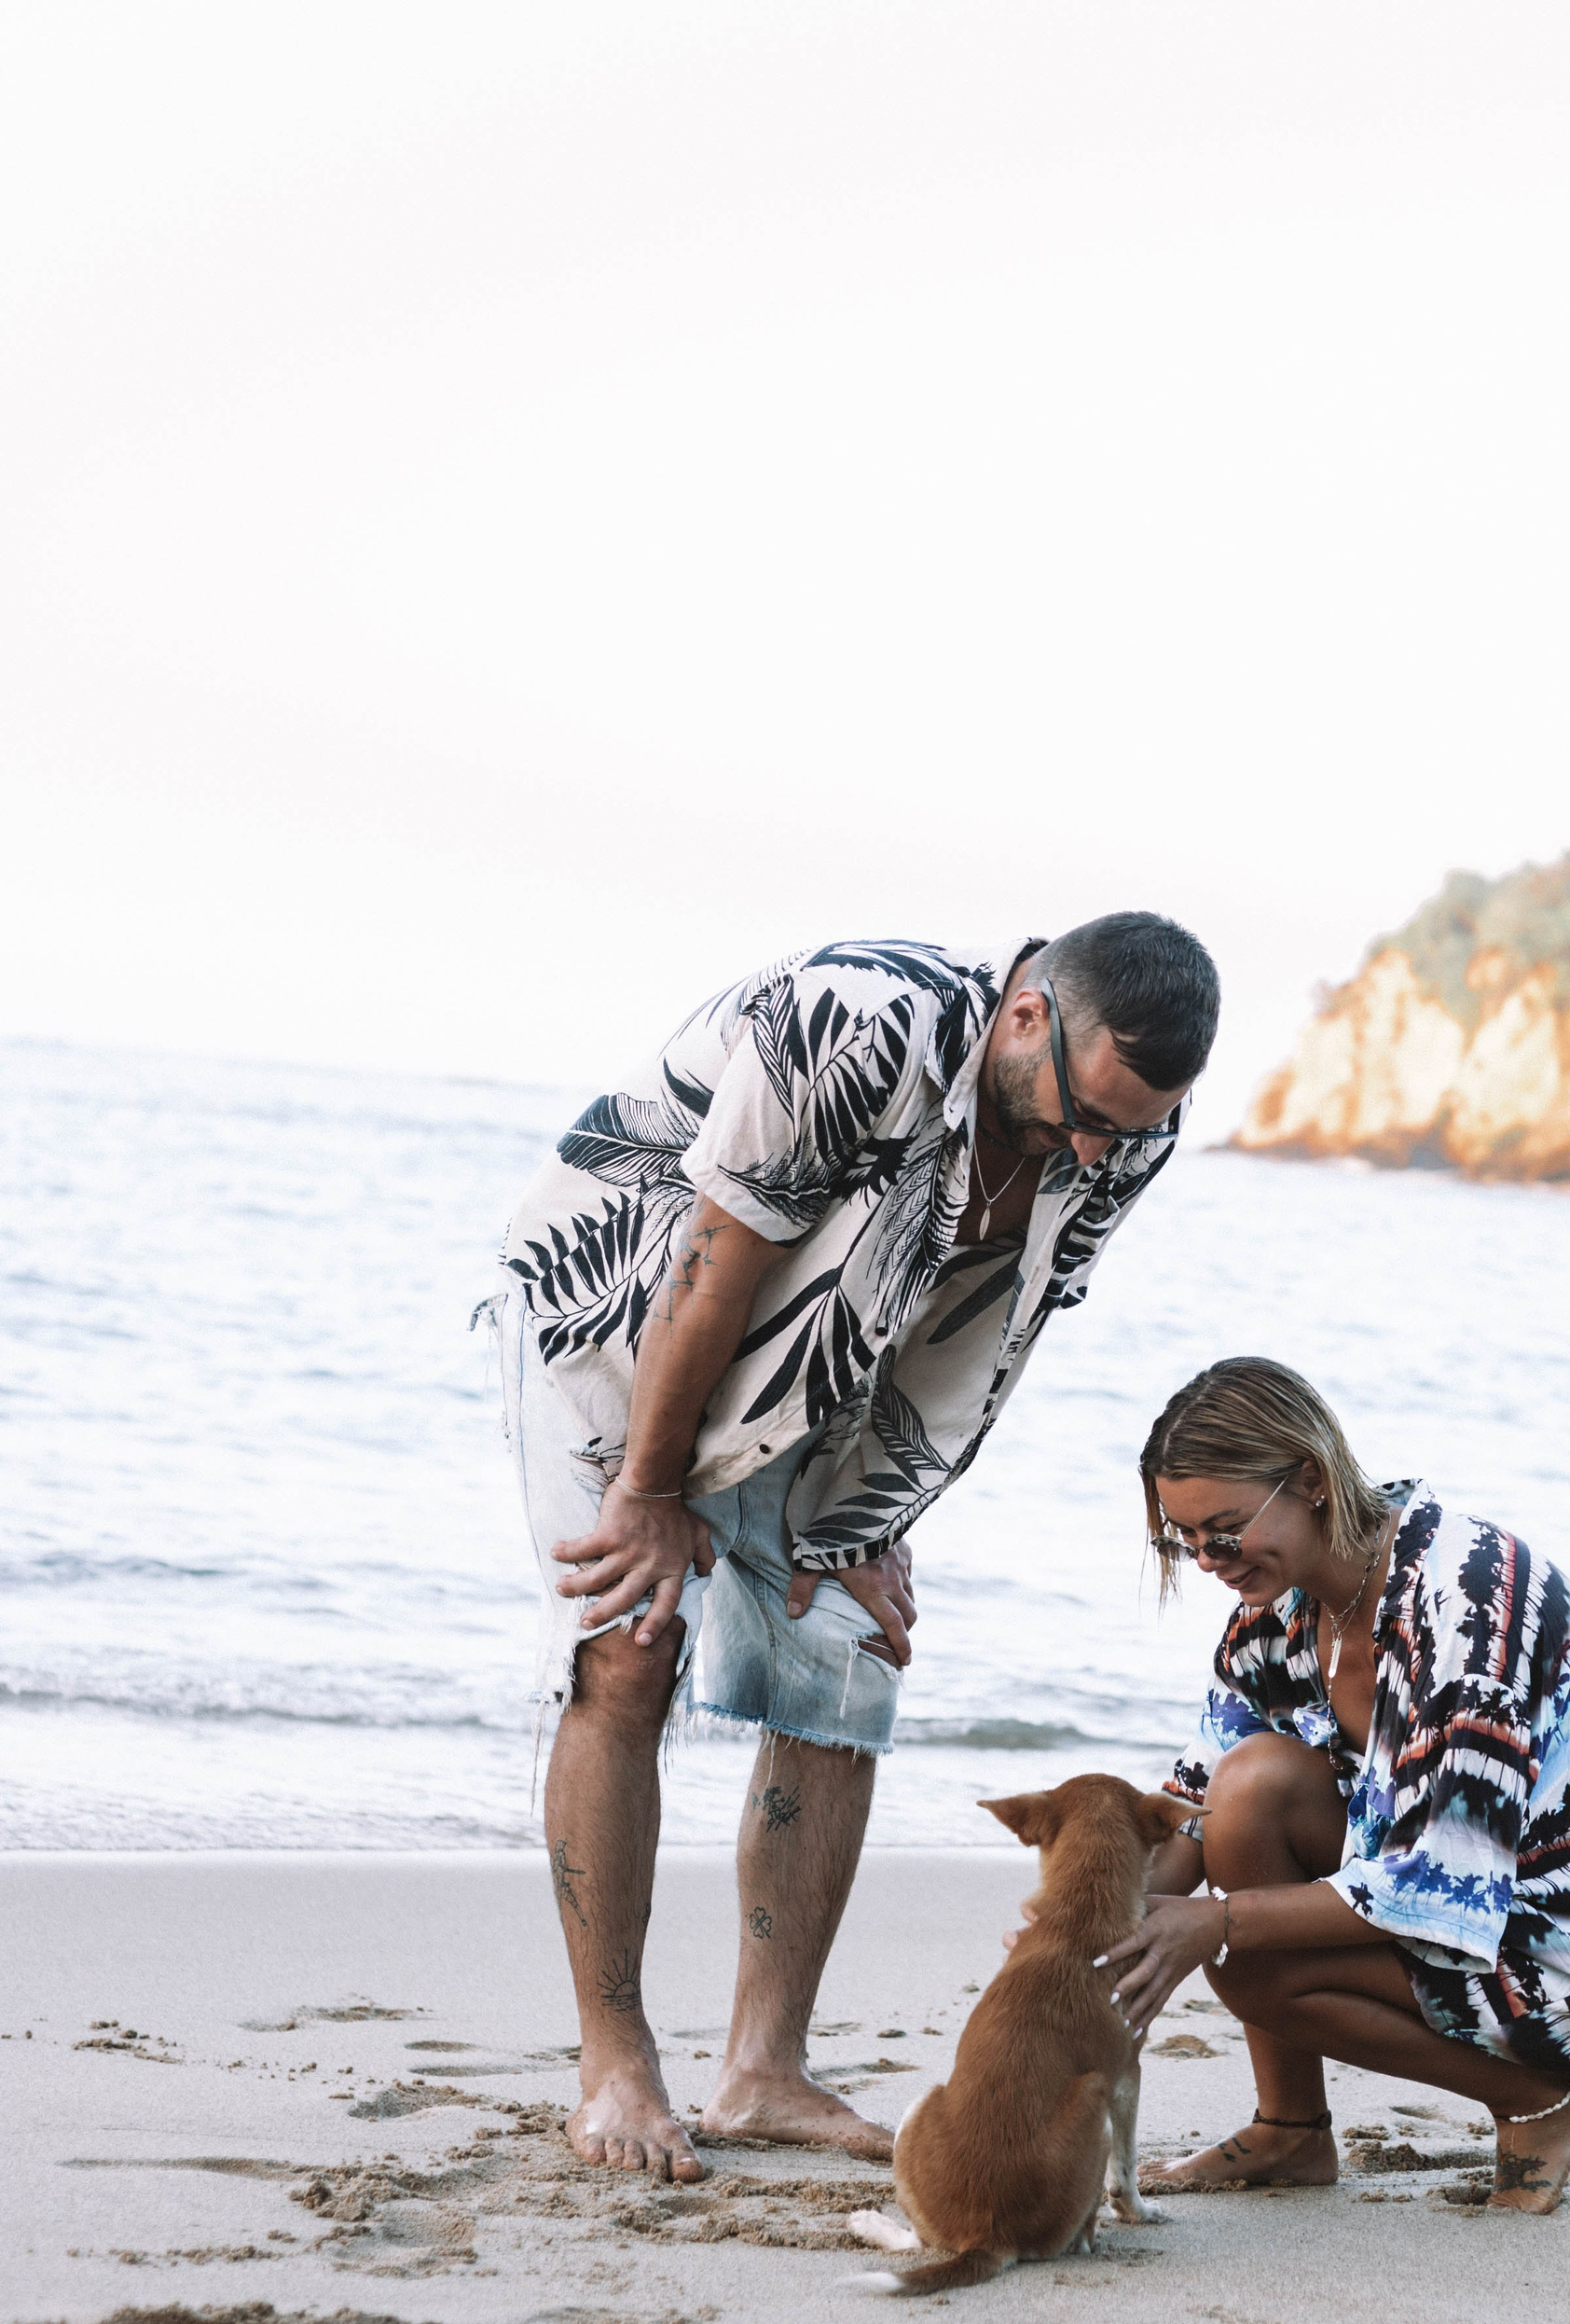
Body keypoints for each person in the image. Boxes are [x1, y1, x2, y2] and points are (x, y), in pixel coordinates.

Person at [487, 920, 1219, 2184]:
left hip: (837, 1362)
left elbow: (991, 1326)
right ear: (1027, 1014)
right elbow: (714, 1268)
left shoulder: (1124, 1128)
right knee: (628, 1647)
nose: (1100, 1152)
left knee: (845, 1659)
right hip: (628, 1316)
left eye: (1131, 1131)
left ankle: (763, 2071)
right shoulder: (860, 1021)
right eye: (1083, 1119)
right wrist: (654, 1491)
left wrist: (874, 1521)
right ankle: (616, 2063)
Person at [1101, 1357, 1570, 2214]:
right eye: (1183, 1540)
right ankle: (1291, 2132)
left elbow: (1442, 1885)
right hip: (1474, 1910)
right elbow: (1193, 1806)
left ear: (1308, 1479)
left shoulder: (1467, 1604)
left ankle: (1545, 2102)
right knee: (1250, 1787)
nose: (1207, 1563)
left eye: (1223, 1533)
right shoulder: (1281, 1613)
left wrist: (1217, 1921)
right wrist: (1092, 1932)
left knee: (1248, 1967)